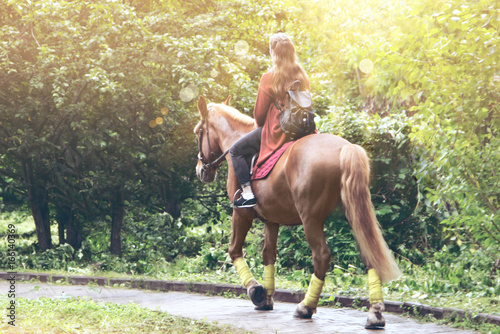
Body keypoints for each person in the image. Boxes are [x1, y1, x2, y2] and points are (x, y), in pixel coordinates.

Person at [229, 33, 310, 208]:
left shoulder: (269, 77)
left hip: (278, 131)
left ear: (274, 52)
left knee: (235, 150)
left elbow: (258, 117)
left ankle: (248, 194)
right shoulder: (302, 74)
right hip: (302, 129)